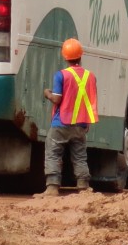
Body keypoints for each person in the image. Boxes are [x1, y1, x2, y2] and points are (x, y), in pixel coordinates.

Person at [41, 38, 99, 197]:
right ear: (81, 56)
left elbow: (57, 99)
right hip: (81, 124)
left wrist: (47, 93)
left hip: (61, 122)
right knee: (80, 156)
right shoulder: (90, 76)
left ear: (65, 57)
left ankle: (52, 187)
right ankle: (83, 187)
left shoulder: (61, 75)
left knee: (53, 152)